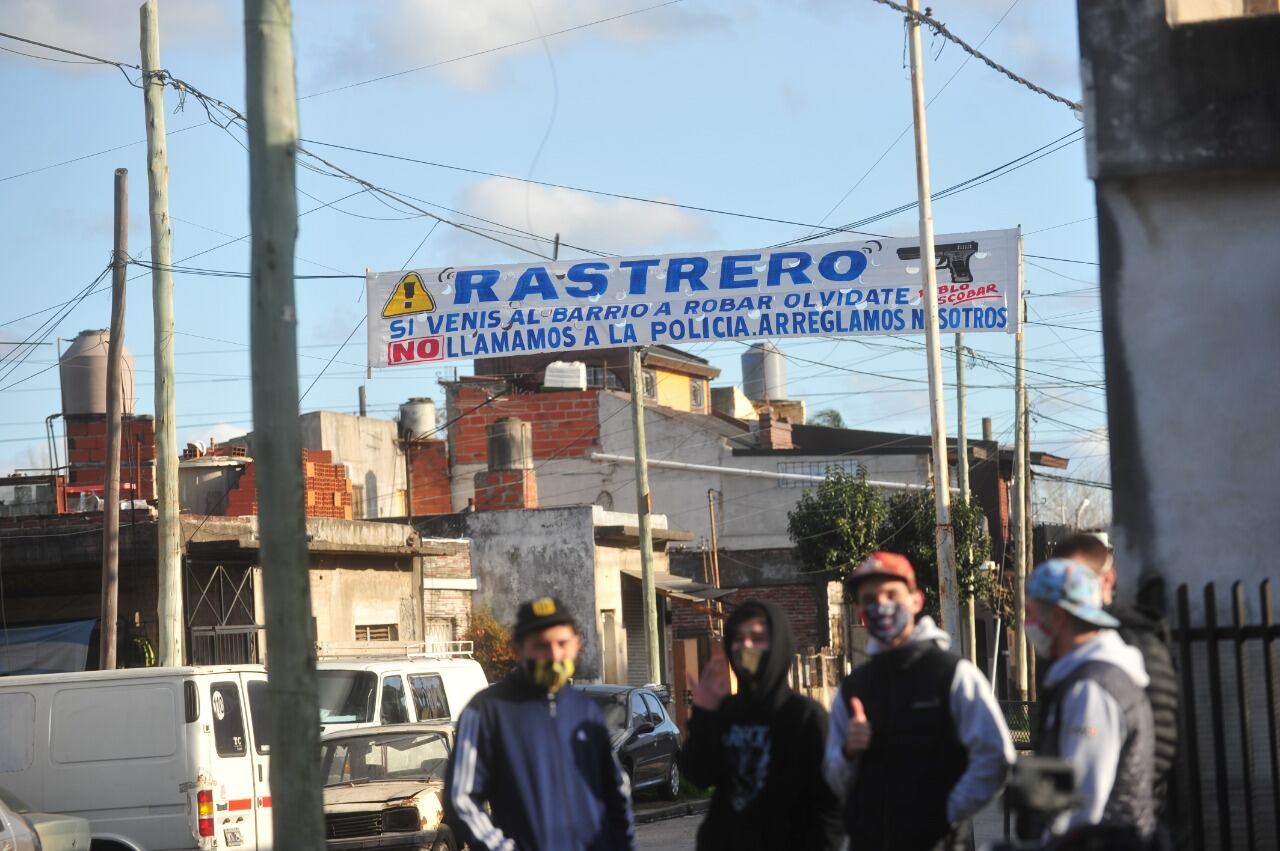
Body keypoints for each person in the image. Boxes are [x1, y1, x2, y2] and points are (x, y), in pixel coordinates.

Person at [824, 552, 1015, 851]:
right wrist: (849, 752)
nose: (881, 605)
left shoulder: (953, 675)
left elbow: (996, 758)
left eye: (892, 594)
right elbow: (834, 782)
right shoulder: (853, 688)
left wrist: (947, 812)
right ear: (859, 609)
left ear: (916, 600)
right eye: (870, 598)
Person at [444, 596, 634, 850]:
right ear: (517, 650)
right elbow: (461, 800)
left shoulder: (585, 710)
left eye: (562, 643)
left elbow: (617, 789)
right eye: (541, 646)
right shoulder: (486, 711)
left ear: (577, 644)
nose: (554, 655)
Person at [680, 599, 843, 850]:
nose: (746, 645)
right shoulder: (727, 711)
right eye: (738, 637)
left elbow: (828, 807)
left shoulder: (805, 717)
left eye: (757, 638)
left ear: (777, 645)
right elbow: (698, 775)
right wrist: (702, 713)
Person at [1026, 558, 1155, 846]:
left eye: (1031, 612)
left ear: (1058, 617)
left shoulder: (1090, 689)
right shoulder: (1093, 675)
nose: (1027, 624)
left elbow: (1083, 804)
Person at [1051, 532, 1178, 814]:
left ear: (1107, 579)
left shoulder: (1138, 643)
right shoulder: (1071, 644)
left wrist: (1125, 797)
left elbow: (1160, 741)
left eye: (1078, 578)